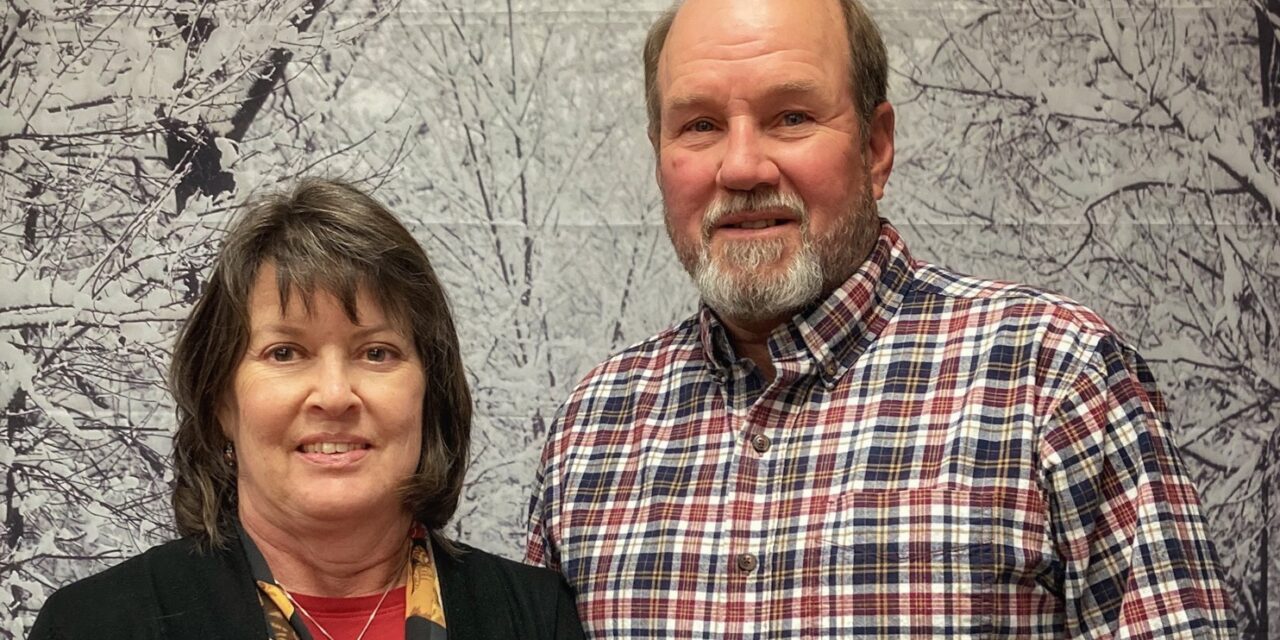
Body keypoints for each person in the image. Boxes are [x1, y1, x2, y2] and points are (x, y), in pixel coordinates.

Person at [524, 0, 1237, 638]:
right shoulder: (592, 431)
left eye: (792, 117)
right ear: (660, 157)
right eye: (701, 125)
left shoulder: (1055, 381)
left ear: (875, 148)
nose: (741, 166)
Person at [33, 179, 584, 640]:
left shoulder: (537, 619)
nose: (335, 394)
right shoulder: (97, 624)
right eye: (285, 352)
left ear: (429, 393)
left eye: (376, 352)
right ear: (222, 401)